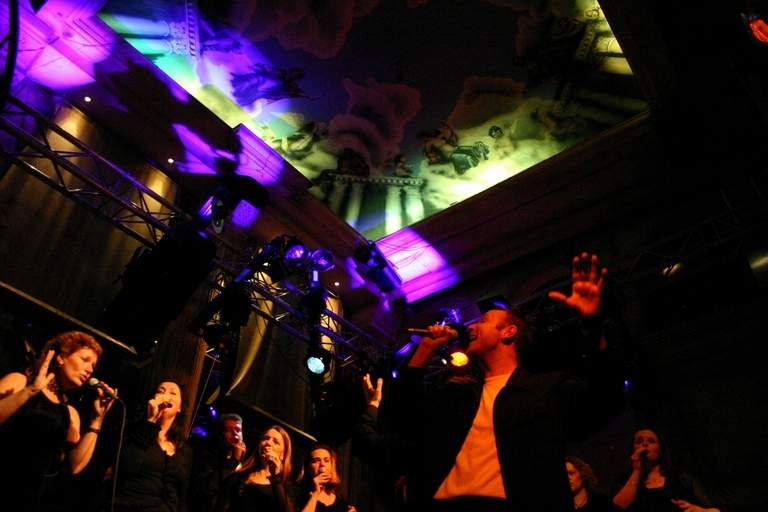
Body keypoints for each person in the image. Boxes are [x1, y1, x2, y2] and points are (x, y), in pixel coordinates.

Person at [396, 252, 624, 511]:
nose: (471, 327)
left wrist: (592, 325)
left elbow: (605, 400)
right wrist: (426, 349)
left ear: (508, 332)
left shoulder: (545, 389)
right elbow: (402, 416)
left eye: (483, 321)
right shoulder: (461, 395)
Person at [0, 330, 116, 512]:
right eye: (85, 360)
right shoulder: (20, 381)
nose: (90, 369)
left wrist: (97, 420)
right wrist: (29, 391)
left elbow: (74, 466)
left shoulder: (70, 413)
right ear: (61, 358)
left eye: (93, 365)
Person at [111, 379, 193, 512]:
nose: (165, 395)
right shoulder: (134, 431)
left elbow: (182, 495)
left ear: (179, 408)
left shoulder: (184, 450)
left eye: (173, 393)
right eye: (161, 391)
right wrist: (150, 421)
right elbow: (125, 468)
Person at [612, 427, 720, 512]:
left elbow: (714, 509)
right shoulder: (625, 481)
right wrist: (636, 470)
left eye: (651, 441)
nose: (644, 444)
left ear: (661, 450)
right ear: (633, 449)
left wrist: (699, 510)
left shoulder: (680, 476)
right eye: (639, 441)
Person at [214, 424, 295, 512]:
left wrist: (276, 476)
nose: (268, 443)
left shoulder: (284, 487)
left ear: (283, 455)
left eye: (276, 442)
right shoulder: (241, 476)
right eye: (266, 438)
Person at [189, 413, 248, 512]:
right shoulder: (208, 457)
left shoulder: (246, 465)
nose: (235, 433)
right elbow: (206, 489)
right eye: (228, 430)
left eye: (238, 430)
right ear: (220, 434)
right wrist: (234, 461)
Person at [297, 444, 357, 512]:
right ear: (308, 468)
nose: (322, 464)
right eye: (316, 461)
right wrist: (315, 492)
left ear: (332, 466)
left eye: (326, 460)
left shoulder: (341, 504)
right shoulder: (298, 495)